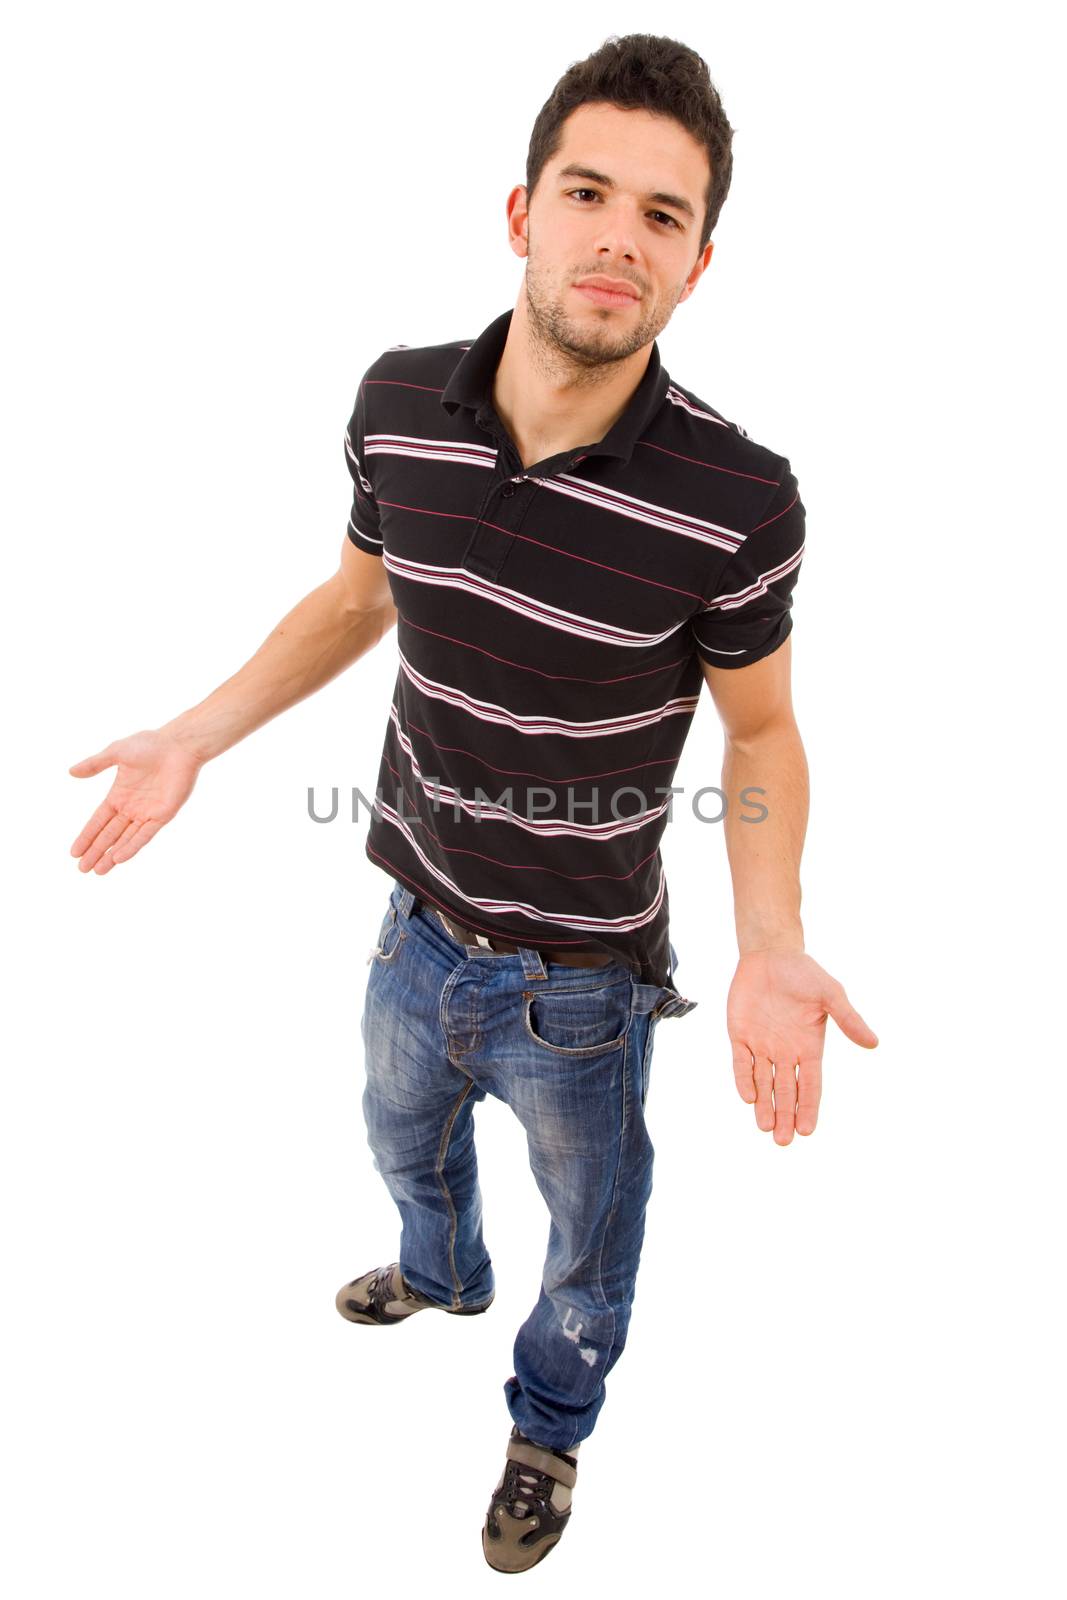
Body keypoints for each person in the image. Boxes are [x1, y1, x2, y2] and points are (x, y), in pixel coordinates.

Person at [68, 32, 878, 1574]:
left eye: (663, 215)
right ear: (522, 214)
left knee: (591, 1247)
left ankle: (547, 1430)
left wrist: (771, 934)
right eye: (590, 193)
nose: (618, 239)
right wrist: (193, 735)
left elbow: (762, 734)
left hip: (585, 987)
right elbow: (360, 595)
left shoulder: (737, 498)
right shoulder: (396, 405)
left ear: (700, 265)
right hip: (413, 924)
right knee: (400, 1135)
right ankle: (438, 1277)